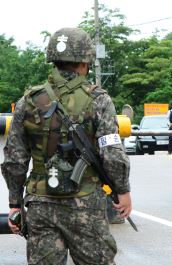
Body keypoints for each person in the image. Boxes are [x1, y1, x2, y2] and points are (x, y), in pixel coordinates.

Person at [1, 27, 132, 264]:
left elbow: (14, 159)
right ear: (85, 60)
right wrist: (122, 191)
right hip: (85, 203)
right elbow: (112, 154)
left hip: (40, 203)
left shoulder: (28, 101)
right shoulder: (99, 99)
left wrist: (14, 203)